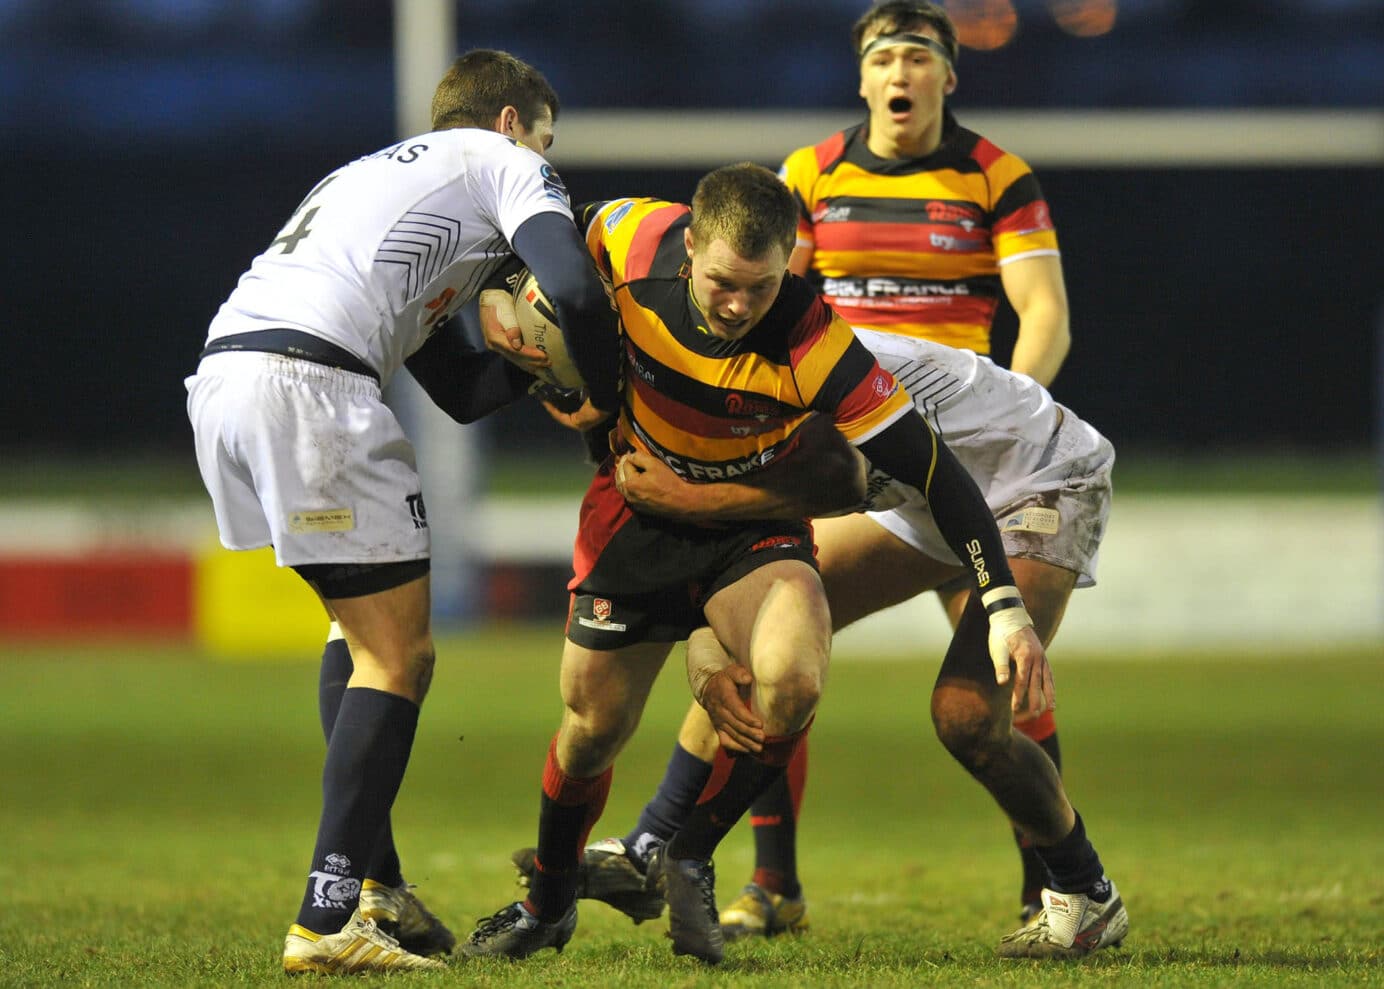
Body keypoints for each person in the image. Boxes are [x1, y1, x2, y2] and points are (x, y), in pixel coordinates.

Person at [519, 0, 1085, 945]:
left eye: (919, 56)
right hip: (850, 436)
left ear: (950, 75)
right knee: (780, 645)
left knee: (990, 681)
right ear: (861, 77)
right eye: (884, 57)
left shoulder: (996, 174)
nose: (901, 73)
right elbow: (770, 318)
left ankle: (1052, 888)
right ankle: (755, 875)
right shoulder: (809, 176)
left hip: (960, 434)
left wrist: (1011, 422)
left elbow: (1045, 313)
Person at [185, 48, 618, 976]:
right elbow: (578, 289)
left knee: (359, 636)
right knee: (401, 654)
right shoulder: (503, 163)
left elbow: (461, 387)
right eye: (548, 145)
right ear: (512, 125)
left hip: (231, 374)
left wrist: (540, 366)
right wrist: (609, 391)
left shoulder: (374, 180)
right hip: (311, 386)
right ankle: (328, 914)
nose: (547, 164)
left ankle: (372, 882)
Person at [531, 331, 1129, 959]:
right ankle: (653, 847)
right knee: (759, 644)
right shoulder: (682, 388)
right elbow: (735, 568)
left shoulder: (752, 381)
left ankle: (1085, 891)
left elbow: (839, 484)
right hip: (925, 495)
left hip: (1037, 473)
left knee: (968, 717)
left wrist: (691, 497)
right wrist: (707, 667)